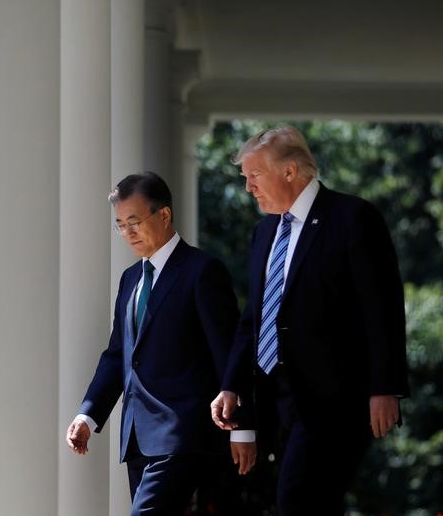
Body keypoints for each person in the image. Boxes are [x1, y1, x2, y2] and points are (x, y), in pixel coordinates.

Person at [210, 126, 410, 515]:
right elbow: (255, 317)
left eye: (255, 176)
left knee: (298, 501)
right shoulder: (264, 232)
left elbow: (381, 307)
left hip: (333, 400)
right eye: (245, 178)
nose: (249, 187)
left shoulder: (353, 217)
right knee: (310, 503)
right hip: (275, 400)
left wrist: (384, 387)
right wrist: (231, 386)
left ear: (289, 171)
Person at [66, 171, 255, 515]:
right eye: (121, 224)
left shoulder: (202, 271)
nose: (128, 233)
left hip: (183, 436)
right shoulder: (130, 279)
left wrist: (243, 428)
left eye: (134, 221)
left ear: (164, 215)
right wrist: (88, 415)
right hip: (137, 438)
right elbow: (118, 356)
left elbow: (228, 353)